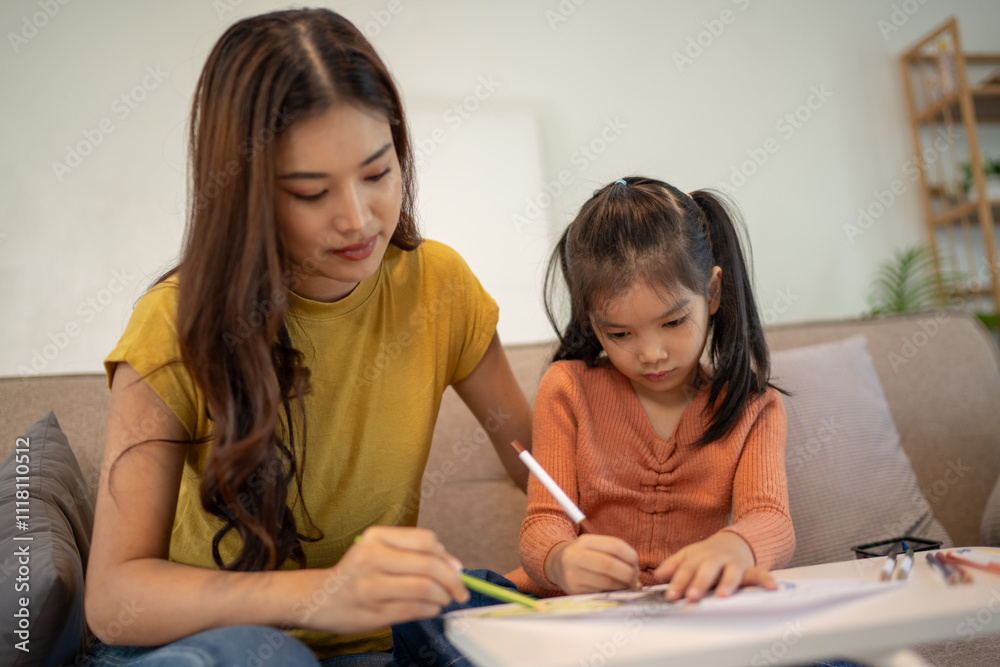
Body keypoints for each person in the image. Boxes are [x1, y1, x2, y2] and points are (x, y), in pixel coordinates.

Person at [84, 8, 532, 666]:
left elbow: (533, 460)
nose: (357, 219)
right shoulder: (171, 325)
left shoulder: (439, 285)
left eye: (378, 174)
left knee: (492, 625)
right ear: (248, 196)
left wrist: (586, 535)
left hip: (372, 644)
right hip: (204, 647)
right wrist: (319, 593)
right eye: (312, 191)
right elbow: (114, 595)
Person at [515, 176, 796, 602]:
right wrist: (561, 559)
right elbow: (543, 523)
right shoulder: (567, 389)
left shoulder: (755, 408)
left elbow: (771, 519)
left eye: (673, 323)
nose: (651, 354)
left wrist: (734, 547)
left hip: (689, 611)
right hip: (579, 614)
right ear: (593, 324)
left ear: (713, 292)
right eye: (621, 334)